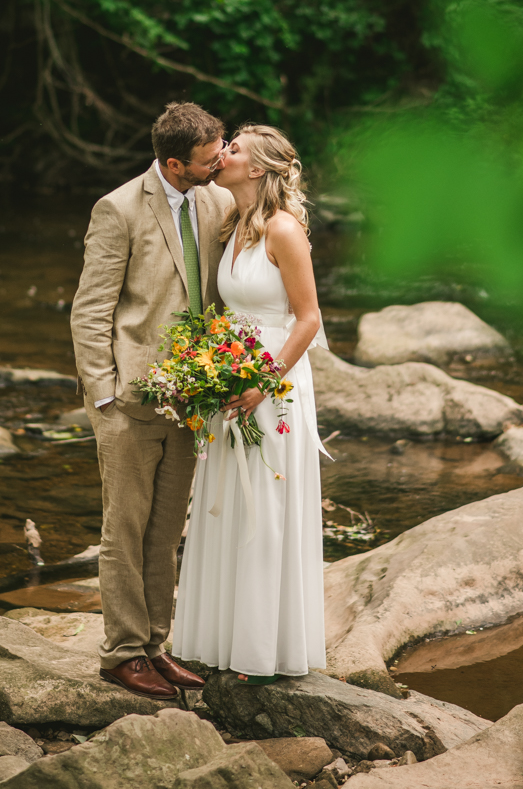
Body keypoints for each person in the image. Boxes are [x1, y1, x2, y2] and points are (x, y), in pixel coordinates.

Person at [71, 101, 233, 700]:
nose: (220, 163)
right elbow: (90, 308)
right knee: (125, 528)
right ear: (173, 163)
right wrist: (104, 393)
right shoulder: (117, 209)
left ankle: (154, 648)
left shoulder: (218, 202)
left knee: (165, 531)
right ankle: (120, 653)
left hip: (190, 397)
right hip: (128, 401)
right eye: (209, 158)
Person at [172, 124, 329, 683]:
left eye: (233, 149)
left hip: (273, 383)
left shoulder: (284, 230)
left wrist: (264, 381)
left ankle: (263, 652)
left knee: (264, 507)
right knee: (226, 502)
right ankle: (219, 641)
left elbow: (308, 318)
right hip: (229, 377)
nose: (222, 155)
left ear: (258, 169)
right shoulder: (231, 223)